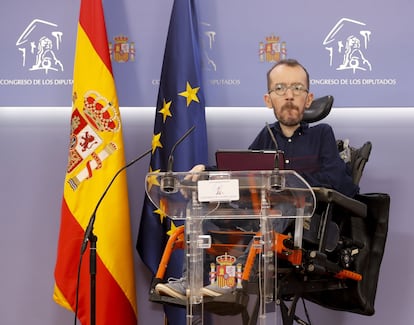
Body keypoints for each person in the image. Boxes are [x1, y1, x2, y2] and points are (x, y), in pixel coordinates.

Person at [154, 58, 358, 300]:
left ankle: (232, 278)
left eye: (297, 88)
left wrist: (289, 182)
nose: (289, 95)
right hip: (260, 218)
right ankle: (192, 281)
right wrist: (205, 171)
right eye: (280, 89)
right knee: (204, 209)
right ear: (268, 99)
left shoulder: (322, 134)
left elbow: (341, 182)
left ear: (309, 99)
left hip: (302, 225)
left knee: (283, 205)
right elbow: (242, 172)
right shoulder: (267, 136)